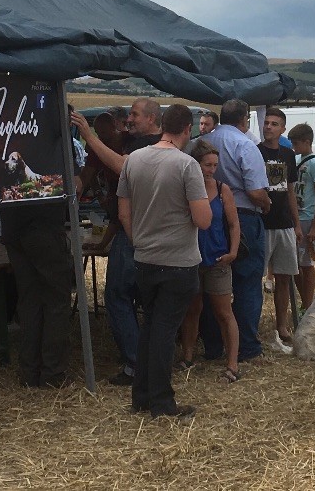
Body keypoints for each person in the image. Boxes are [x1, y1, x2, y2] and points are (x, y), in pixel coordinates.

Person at [118, 104, 211, 418]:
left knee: (150, 327)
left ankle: (141, 396)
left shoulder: (134, 160)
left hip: (144, 257)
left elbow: (124, 212)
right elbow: (203, 219)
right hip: (179, 261)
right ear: (187, 129)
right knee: (164, 332)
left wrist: (138, 241)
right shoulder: (186, 165)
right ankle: (161, 401)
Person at [71, 97, 162, 385]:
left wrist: (88, 135)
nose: (102, 138)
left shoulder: (139, 145)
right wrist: (69, 187)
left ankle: (138, 365)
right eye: (98, 132)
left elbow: (124, 168)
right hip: (133, 226)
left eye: (106, 132)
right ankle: (148, 362)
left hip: (136, 227)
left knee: (119, 294)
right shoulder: (118, 145)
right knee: (138, 295)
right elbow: (85, 176)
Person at [200, 99, 271, 362]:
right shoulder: (245, 144)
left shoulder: (204, 142)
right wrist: (267, 204)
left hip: (209, 215)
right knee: (247, 282)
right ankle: (246, 347)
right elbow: (254, 191)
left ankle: (213, 345)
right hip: (242, 216)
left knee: (211, 281)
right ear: (244, 120)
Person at [178, 140, 242, 382]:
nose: (211, 169)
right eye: (207, 165)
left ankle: (233, 363)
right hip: (191, 258)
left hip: (217, 258)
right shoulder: (186, 186)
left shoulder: (222, 189)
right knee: (192, 309)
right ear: (196, 164)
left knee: (224, 312)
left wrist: (233, 252)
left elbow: (234, 223)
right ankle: (188, 356)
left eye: (215, 165)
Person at [0, 201, 74, 388]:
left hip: (13, 225)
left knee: (29, 299)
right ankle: (52, 373)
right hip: (44, 226)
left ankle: (29, 372)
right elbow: (76, 184)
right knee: (56, 300)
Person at [257, 108, 302, 340]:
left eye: (274, 124)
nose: (269, 127)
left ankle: (282, 325)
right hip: (262, 223)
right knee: (256, 278)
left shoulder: (288, 154)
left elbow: (291, 191)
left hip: (284, 223)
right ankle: (252, 323)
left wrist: (296, 223)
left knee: (284, 277)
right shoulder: (255, 152)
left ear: (283, 129)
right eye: (266, 123)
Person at [289, 123, 315, 311]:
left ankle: (308, 304)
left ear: (307, 142)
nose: (294, 148)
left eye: (296, 144)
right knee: (294, 263)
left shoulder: (314, 163)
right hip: (298, 216)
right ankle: (304, 301)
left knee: (306, 263)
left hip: (308, 217)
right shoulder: (297, 161)